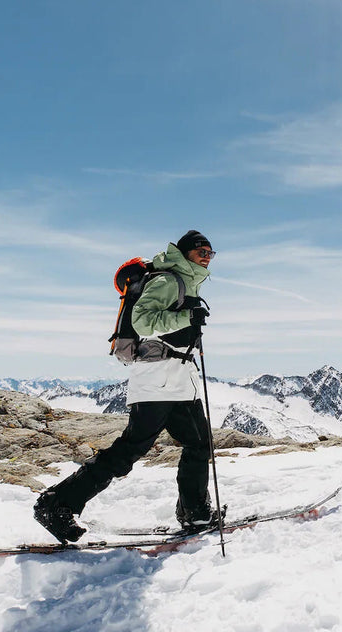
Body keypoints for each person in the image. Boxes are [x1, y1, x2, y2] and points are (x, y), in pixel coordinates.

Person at [34, 230, 217, 543]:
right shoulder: (168, 281)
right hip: (157, 379)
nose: (206, 256)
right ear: (184, 253)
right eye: (201, 251)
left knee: (200, 443)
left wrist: (187, 317)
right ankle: (57, 504)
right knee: (128, 451)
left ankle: (195, 511)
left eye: (211, 253)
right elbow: (144, 321)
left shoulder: (186, 282)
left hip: (178, 379)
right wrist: (187, 316)